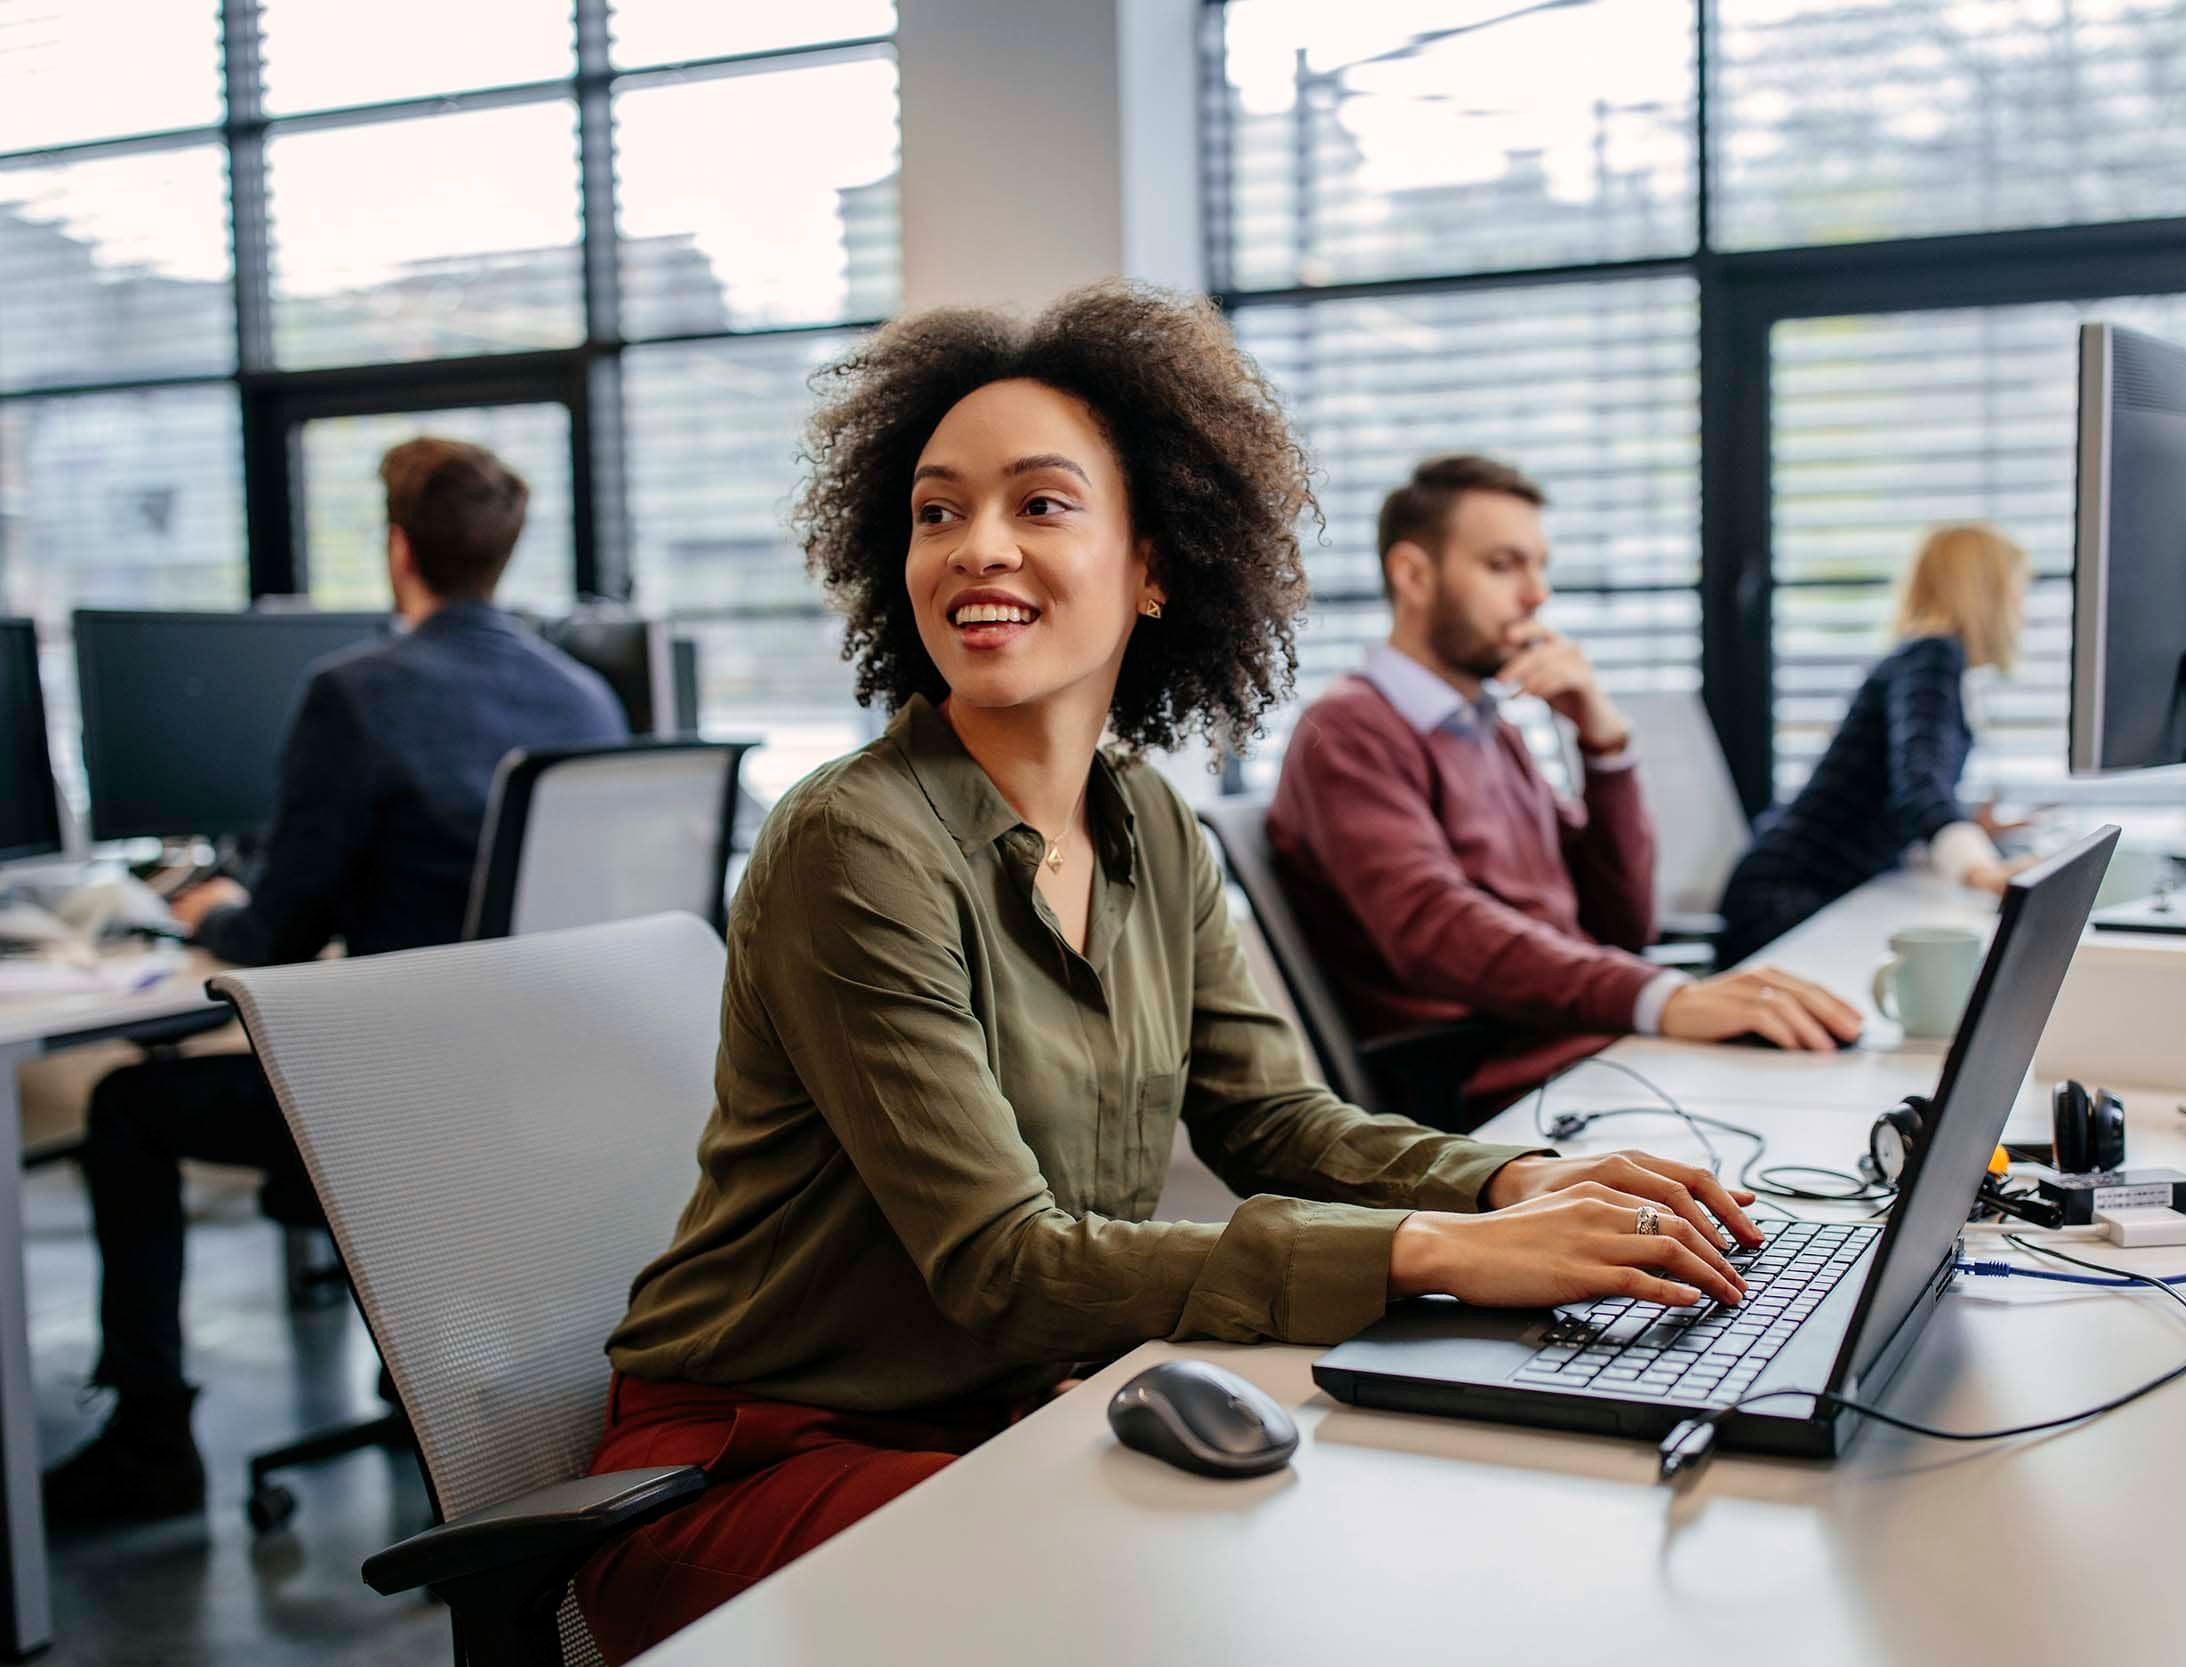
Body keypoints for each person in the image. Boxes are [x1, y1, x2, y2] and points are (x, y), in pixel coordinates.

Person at [579, 286, 1769, 1659]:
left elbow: (1277, 1121)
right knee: (1167, 1602)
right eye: (937, 510)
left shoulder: (1148, 821)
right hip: (754, 1466)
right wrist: (1444, 1252)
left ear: (1155, 563)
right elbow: (1006, 1263)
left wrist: (1515, 1182)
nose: (976, 547)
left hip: (1007, 1415)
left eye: (1040, 503)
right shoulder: (856, 843)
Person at [43, 438, 629, 1528]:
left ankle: (151, 1441)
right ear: (501, 553)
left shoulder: (355, 693)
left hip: (403, 1105)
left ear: (399, 549)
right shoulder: (585, 695)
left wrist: (200, 905)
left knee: (128, 1103)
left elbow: (274, 931)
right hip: (554, 1096)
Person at [1264, 455, 1862, 1123]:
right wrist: (1662, 998)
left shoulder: (1493, 730)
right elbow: (1437, 929)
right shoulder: (1348, 730)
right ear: (1413, 575)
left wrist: (1604, 747)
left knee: (1831, 1083)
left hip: (1582, 1052)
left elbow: (1619, 926)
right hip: (1498, 1083)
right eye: (1504, 565)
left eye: (1540, 566)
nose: (1536, 594)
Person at [1716, 523, 2032, 966]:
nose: (2021, 609)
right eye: (2017, 591)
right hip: (1786, 895)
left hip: (1803, 883)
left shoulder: (1924, 657)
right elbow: (1919, 782)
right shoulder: (1933, 655)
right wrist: (1982, 869)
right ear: (1985, 592)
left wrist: (1971, 825)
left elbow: (1899, 785)